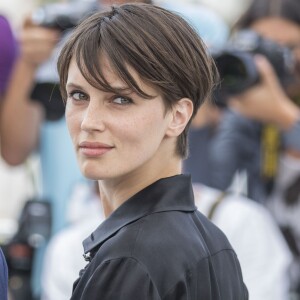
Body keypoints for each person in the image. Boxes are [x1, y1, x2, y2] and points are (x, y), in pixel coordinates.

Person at [56, 3, 248, 299]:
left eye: (120, 100)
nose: (88, 122)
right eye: (78, 95)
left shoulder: (130, 258)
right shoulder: (216, 243)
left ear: (178, 116)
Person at [206, 0, 300, 295]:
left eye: (289, 46)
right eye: (262, 48)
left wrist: (286, 118)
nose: (272, 60)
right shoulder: (241, 111)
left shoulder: (279, 114)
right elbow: (211, 186)